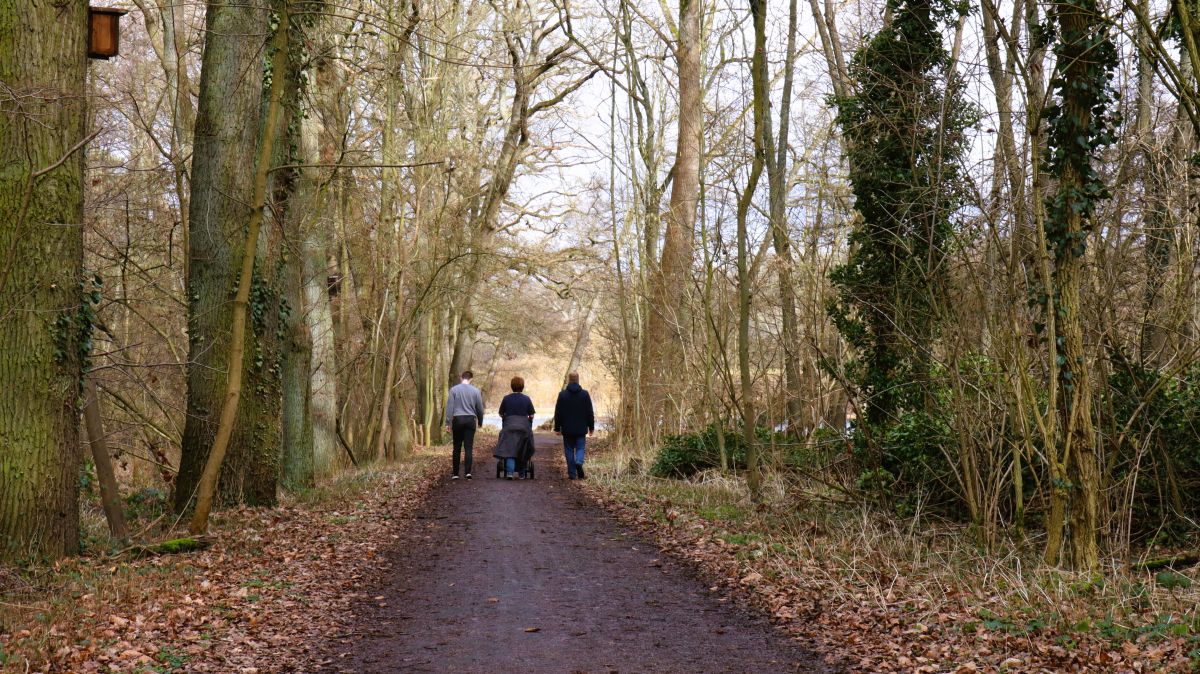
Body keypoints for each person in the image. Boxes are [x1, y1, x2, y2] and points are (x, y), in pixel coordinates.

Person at [444, 370, 484, 480]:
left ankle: (455, 474)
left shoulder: (454, 390)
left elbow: (450, 408)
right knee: (468, 447)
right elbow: (480, 408)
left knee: (456, 447)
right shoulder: (476, 391)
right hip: (470, 420)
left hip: (458, 419)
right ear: (471, 379)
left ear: (462, 378)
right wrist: (480, 421)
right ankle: (467, 473)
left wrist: (448, 423)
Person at [553, 372, 594, 479]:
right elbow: (589, 412)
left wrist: (557, 428)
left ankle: (572, 474)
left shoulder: (562, 394)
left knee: (569, 450)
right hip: (581, 428)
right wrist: (591, 427)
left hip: (567, 428)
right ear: (578, 380)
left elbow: (558, 412)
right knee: (580, 448)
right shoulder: (585, 394)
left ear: (569, 380)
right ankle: (579, 462)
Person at [494, 376, 535, 480]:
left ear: (511, 386)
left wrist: (506, 418)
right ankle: (521, 473)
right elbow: (531, 415)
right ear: (522, 386)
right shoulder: (526, 399)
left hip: (509, 427)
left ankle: (510, 472)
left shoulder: (506, 398)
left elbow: (501, 413)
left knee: (509, 449)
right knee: (523, 449)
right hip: (523, 428)